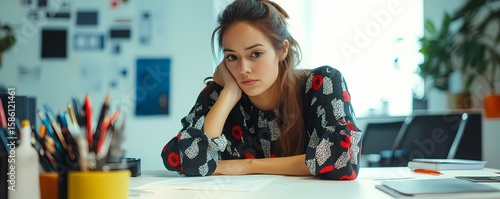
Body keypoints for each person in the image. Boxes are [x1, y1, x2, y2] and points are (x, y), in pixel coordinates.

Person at [161, 0, 362, 180]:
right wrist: (229, 93)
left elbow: (342, 158)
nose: (243, 69)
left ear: (282, 50)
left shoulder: (322, 82)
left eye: (255, 54)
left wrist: (248, 166)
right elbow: (185, 159)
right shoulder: (219, 94)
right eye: (232, 57)